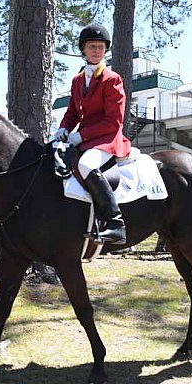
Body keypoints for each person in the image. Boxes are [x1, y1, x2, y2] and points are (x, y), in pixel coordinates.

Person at [53, 23, 130, 245]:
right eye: (92, 46)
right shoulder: (77, 80)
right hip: (86, 139)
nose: (97, 51)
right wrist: (64, 129)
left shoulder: (112, 79)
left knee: (86, 165)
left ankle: (116, 224)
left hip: (107, 139)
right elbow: (72, 113)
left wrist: (81, 136)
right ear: (83, 50)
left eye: (100, 47)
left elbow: (114, 121)